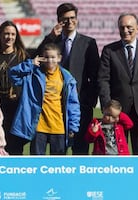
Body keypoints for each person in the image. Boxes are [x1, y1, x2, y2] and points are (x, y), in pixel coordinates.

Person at [34, 3, 100, 155]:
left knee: (80, 148)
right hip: (52, 106)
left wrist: (89, 101)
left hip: (79, 104)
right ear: (59, 20)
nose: (70, 22)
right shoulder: (52, 42)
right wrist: (50, 37)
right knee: (56, 151)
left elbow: (95, 75)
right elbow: (35, 60)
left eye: (72, 18)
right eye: (65, 19)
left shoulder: (88, 43)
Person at [98, 13, 138, 155]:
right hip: (117, 113)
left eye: (129, 27)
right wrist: (108, 109)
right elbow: (103, 80)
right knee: (116, 154)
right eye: (122, 27)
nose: (125, 30)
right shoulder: (109, 50)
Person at [9, 43, 80, 155]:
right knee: (37, 163)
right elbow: (13, 74)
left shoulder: (67, 78)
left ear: (59, 58)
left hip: (59, 126)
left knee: (58, 167)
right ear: (41, 58)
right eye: (46, 57)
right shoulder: (33, 74)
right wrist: (30, 63)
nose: (49, 60)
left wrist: (73, 126)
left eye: (53, 57)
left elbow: (73, 104)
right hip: (38, 127)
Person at [0, 20, 29, 155]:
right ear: (0, 36)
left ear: (16, 36)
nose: (9, 37)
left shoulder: (23, 57)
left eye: (13, 34)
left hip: (17, 111)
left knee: (15, 150)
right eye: (6, 34)